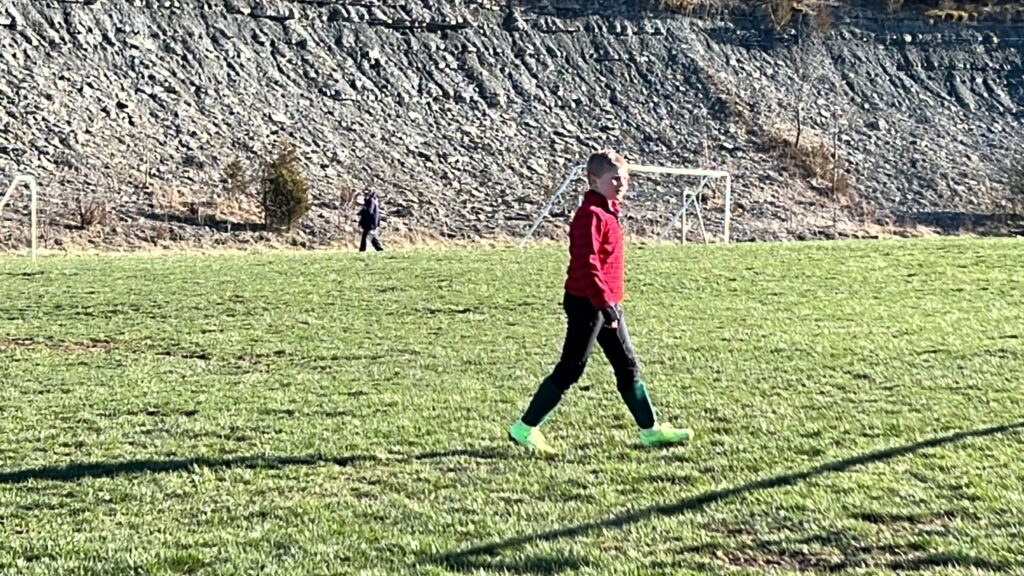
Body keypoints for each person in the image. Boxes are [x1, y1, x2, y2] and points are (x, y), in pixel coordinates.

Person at [508, 149, 693, 454]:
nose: (622, 184)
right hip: (588, 303)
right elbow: (586, 263)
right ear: (594, 180)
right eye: (615, 179)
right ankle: (524, 428)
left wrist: (609, 303)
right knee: (571, 368)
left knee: (627, 365)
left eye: (626, 178)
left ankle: (651, 431)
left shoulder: (608, 210)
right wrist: (604, 304)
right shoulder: (589, 216)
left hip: (606, 302)